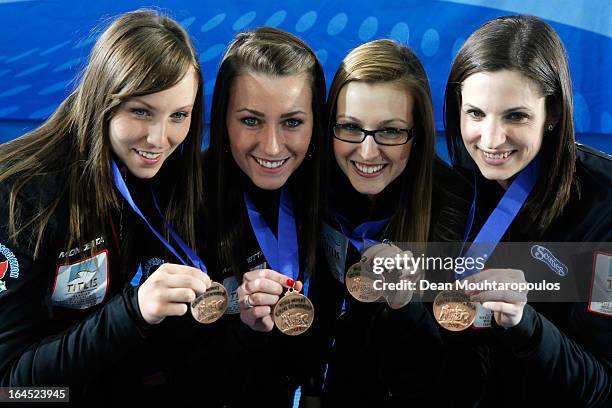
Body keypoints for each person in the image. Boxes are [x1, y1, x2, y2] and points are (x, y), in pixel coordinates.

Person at [0, 9, 210, 405]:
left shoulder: (160, 171)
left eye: (178, 115)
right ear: (103, 99)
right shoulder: (20, 194)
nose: (159, 138)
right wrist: (133, 311)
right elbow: (13, 390)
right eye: (141, 111)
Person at [444, 15, 612, 407]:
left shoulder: (606, 211)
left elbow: (604, 386)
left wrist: (526, 322)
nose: (490, 139)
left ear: (552, 113)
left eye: (515, 115)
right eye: (475, 113)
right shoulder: (458, 180)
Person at [319, 39, 471, 406]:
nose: (367, 152)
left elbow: (452, 376)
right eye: (350, 127)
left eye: (390, 131)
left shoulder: (455, 205)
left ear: (416, 135)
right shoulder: (309, 185)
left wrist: (406, 306)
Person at [180, 27, 326, 407]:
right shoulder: (183, 199)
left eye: (292, 122)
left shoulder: (330, 191)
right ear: (222, 117)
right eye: (250, 121)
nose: (272, 146)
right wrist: (245, 330)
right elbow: (172, 373)